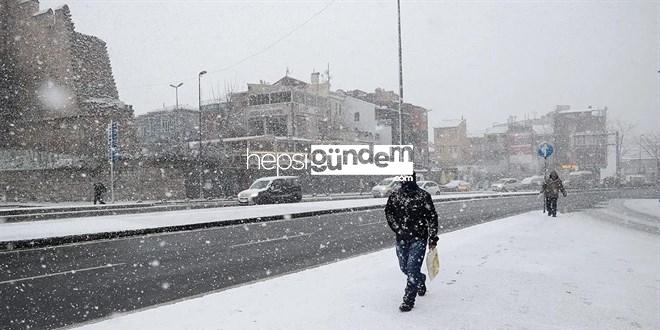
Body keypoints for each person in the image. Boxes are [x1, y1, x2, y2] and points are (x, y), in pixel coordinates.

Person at [384, 172, 439, 312]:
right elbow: (388, 213)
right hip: (402, 238)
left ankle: (408, 299)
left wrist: (432, 238)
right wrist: (397, 228)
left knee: (412, 268)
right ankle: (421, 279)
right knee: (405, 268)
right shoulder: (395, 196)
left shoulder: (423, 196)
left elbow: (432, 217)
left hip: (419, 238)